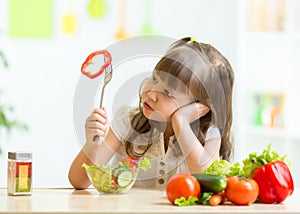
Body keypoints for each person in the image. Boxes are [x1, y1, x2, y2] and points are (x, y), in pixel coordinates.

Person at [68, 37, 234, 189]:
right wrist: (92, 145)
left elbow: (210, 183)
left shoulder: (210, 134)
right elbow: (79, 181)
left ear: (200, 107)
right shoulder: (129, 121)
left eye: (168, 93)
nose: (152, 93)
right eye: (155, 79)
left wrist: (180, 123)